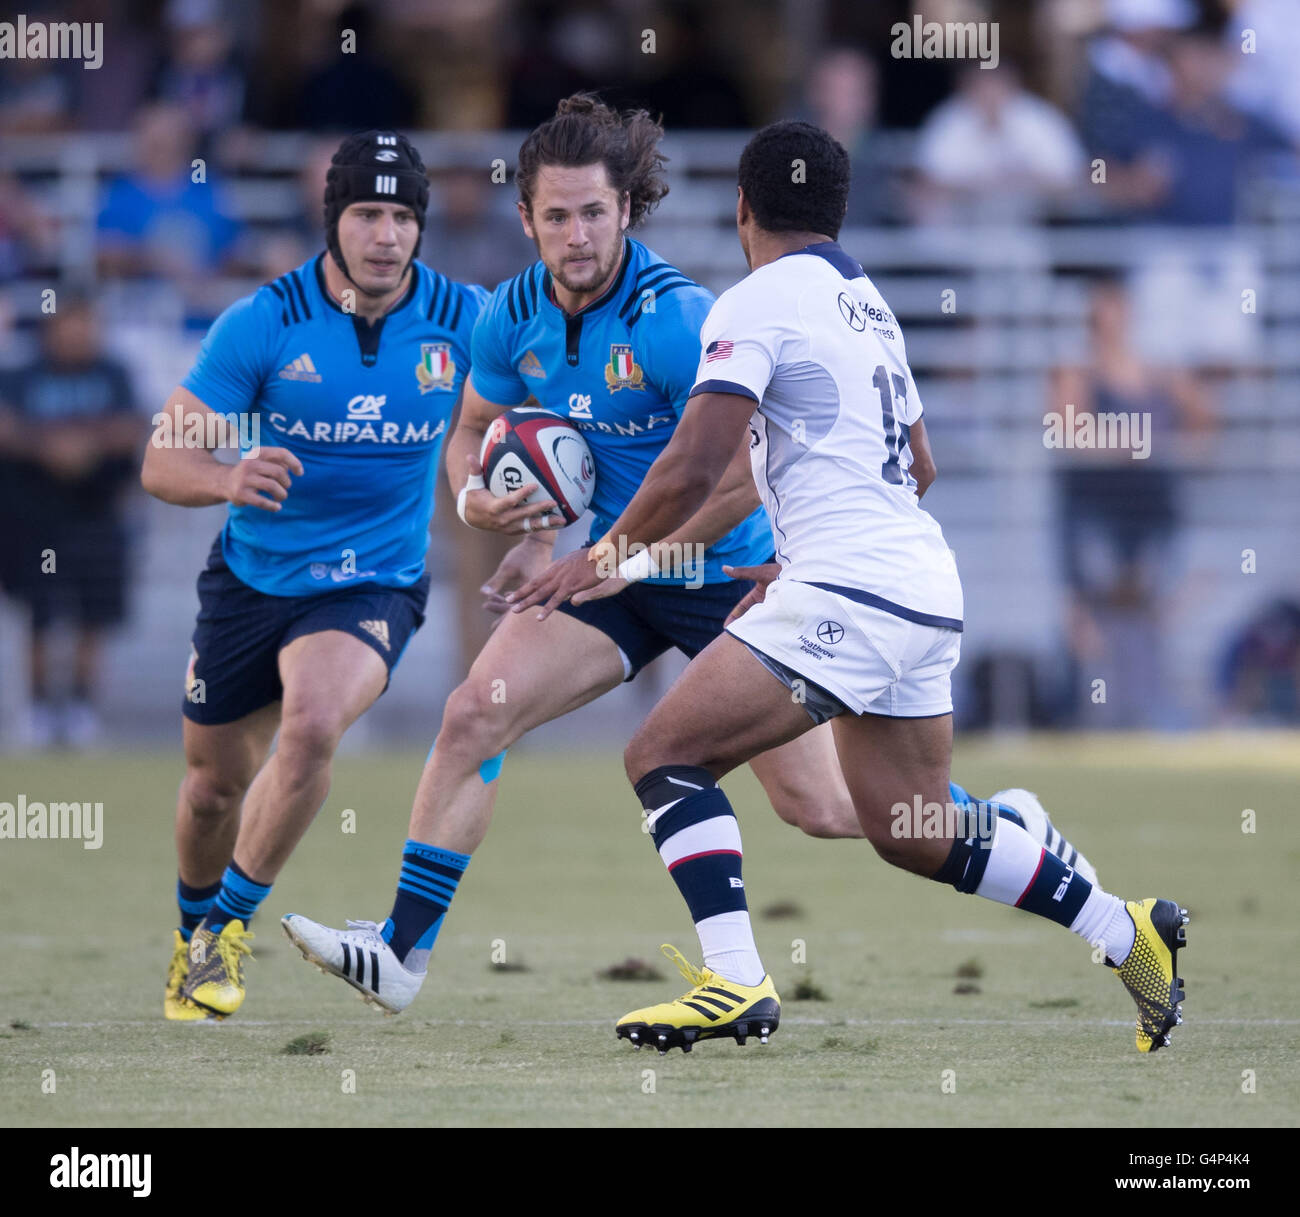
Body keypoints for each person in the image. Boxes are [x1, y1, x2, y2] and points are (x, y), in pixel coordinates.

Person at [281, 96, 1092, 1018]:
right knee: (473, 714)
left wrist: (629, 556)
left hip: (723, 581)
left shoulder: (681, 319)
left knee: (830, 812)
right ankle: (400, 955)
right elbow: (472, 431)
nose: (576, 235)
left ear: (627, 209)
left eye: (594, 212)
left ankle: (1003, 825)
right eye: (556, 216)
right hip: (611, 575)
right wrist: (498, 508)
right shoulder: (508, 314)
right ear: (526, 219)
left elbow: (744, 480)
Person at [511, 121, 1187, 1056]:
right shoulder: (865, 303)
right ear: (836, 210)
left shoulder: (750, 302)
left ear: (743, 209)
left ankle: (734, 979)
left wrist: (601, 558)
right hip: (920, 588)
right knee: (911, 829)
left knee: (662, 756)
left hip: (851, 593)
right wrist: (800, 554)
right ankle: (1125, 929)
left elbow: (694, 465)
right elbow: (921, 461)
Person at [140, 130, 487, 1020]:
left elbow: (550, 402)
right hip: (251, 582)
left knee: (315, 720)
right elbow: (160, 458)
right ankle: (190, 933)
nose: (386, 235)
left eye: (404, 216)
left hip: (372, 583)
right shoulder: (264, 320)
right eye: (367, 214)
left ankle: (224, 930)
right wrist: (225, 476)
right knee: (213, 786)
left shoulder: (469, 319)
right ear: (333, 220)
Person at [0, 294, 144, 747]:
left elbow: (133, 427)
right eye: (69, 324)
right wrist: (50, 448)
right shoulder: (21, 375)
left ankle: (81, 708)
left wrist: (82, 446)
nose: (78, 334)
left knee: (92, 616)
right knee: (40, 615)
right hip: (33, 517)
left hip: (97, 514)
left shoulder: (113, 372)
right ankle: (40, 708)